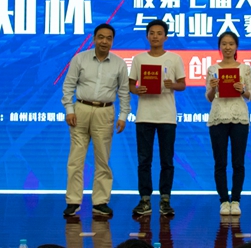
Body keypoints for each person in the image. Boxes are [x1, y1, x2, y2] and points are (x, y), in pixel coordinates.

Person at [61, 23, 131, 217]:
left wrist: (123, 116)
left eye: (109, 38)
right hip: (80, 110)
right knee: (75, 159)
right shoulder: (80, 58)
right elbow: (68, 86)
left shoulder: (119, 63)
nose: (104, 41)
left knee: (102, 159)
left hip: (105, 112)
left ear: (112, 41)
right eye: (101, 37)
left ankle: (100, 202)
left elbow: (124, 92)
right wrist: (69, 109)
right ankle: (73, 201)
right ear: (94, 39)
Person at [129, 19, 186, 216]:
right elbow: (131, 85)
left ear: (165, 37)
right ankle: (145, 200)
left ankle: (165, 200)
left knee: (166, 161)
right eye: (152, 33)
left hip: (167, 117)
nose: (155, 36)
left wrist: (172, 85)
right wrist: (137, 90)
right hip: (144, 116)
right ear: (147, 36)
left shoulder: (174, 58)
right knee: (144, 161)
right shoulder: (139, 59)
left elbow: (182, 84)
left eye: (159, 33)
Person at [205, 31, 251, 216]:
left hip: (239, 117)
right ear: (219, 46)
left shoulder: (244, 69)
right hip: (218, 117)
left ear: (236, 46)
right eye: (224, 44)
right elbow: (209, 97)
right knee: (220, 162)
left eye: (231, 44)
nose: (227, 47)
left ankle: (236, 200)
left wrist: (242, 90)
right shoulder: (213, 69)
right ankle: (224, 201)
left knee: (238, 162)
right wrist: (213, 88)